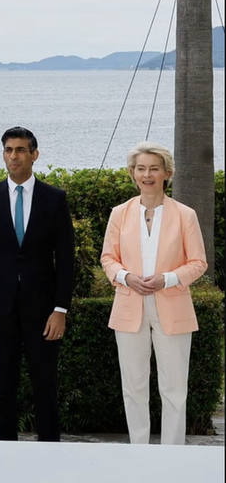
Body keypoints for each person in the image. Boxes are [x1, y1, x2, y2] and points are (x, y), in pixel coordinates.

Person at [0, 127, 73, 442]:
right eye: (8, 150)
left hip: (43, 311)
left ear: (34, 155)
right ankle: (5, 454)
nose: (14, 156)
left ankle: (50, 453)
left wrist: (60, 309)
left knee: (45, 386)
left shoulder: (55, 199)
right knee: (2, 387)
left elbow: (65, 260)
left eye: (21, 150)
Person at [100, 141, 207, 445]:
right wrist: (126, 277)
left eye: (154, 168)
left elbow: (198, 262)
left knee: (174, 388)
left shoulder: (185, 215)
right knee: (133, 386)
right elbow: (108, 258)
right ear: (133, 174)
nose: (147, 174)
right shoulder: (119, 214)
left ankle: (171, 456)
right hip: (128, 307)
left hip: (172, 309)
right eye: (141, 168)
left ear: (167, 174)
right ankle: (140, 452)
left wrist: (168, 279)